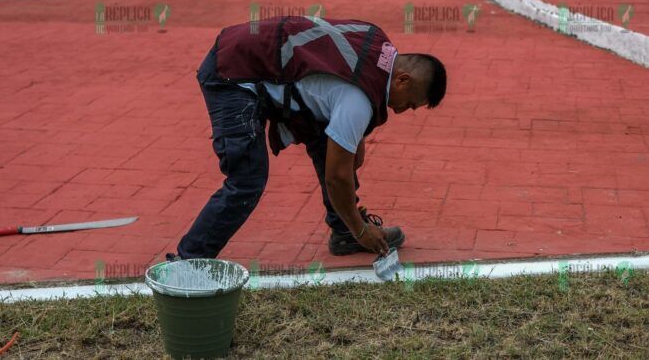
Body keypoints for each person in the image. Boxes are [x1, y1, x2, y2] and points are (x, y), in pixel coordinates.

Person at [171, 15, 447, 260]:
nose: (400, 111)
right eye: (409, 104)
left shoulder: (378, 44)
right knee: (247, 179)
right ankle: (189, 261)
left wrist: (354, 145)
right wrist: (362, 230)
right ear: (402, 80)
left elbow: (341, 91)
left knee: (333, 149)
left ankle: (344, 232)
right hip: (231, 72)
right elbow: (336, 176)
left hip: (256, 58)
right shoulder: (358, 102)